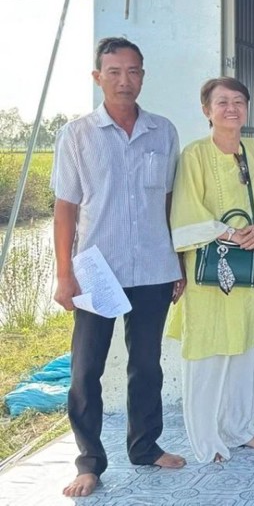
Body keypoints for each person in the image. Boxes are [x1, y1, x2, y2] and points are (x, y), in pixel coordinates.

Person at [51, 37, 186, 498]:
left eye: (133, 71)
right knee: (86, 368)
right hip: (97, 270)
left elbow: (169, 201)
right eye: (114, 72)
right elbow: (65, 208)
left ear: (143, 76)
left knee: (146, 364)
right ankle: (89, 462)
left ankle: (145, 446)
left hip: (153, 267)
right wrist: (64, 274)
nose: (124, 80)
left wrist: (177, 261)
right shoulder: (77, 134)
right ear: (98, 77)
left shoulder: (163, 131)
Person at [166, 77, 254, 462]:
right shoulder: (195, 155)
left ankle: (240, 428)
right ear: (207, 110)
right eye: (222, 102)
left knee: (251, 348)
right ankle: (206, 441)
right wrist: (232, 234)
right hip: (211, 270)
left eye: (238, 101)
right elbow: (186, 212)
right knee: (209, 353)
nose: (231, 108)